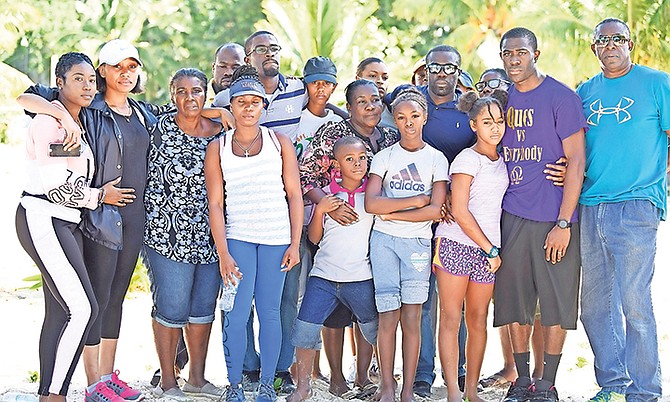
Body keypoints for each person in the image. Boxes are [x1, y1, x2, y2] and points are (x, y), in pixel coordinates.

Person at [17, 39, 157, 402]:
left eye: (132, 66)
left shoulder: (141, 113)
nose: (124, 73)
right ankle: (76, 388)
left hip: (88, 218)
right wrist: (60, 114)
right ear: (101, 71)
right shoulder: (73, 112)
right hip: (73, 217)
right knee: (83, 306)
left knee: (89, 305)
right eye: (114, 67)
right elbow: (26, 98)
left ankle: (63, 388)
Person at [576, 17, 669, 402]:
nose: (611, 45)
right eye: (603, 40)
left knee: (634, 302)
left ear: (629, 44)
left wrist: (656, 182)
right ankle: (613, 386)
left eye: (618, 39)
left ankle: (644, 392)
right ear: (594, 47)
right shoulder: (584, 91)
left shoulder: (656, 82)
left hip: (635, 206)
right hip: (590, 205)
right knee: (594, 307)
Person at [494, 27, 586, 402]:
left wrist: (563, 222)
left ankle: (546, 384)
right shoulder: (501, 101)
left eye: (520, 52)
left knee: (555, 304)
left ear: (536, 53)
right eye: (506, 54)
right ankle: (520, 382)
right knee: (514, 302)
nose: (513, 60)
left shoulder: (561, 97)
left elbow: (577, 159)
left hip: (554, 217)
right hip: (511, 215)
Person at [213, 32, 306, 391]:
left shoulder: (279, 144)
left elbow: (295, 196)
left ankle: (267, 385)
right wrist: (223, 253)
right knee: (236, 315)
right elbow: (217, 206)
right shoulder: (217, 148)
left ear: (263, 106)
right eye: (241, 102)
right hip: (237, 240)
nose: (248, 108)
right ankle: (235, 386)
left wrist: (295, 244)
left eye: (255, 102)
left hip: (275, 239)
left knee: (269, 314)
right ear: (231, 106)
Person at [299, 79, 398, 396]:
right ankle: (337, 376)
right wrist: (326, 206)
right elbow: (306, 176)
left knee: (369, 313)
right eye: (361, 101)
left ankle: (366, 377)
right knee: (335, 314)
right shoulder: (334, 134)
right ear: (350, 106)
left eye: (375, 100)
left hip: (376, 233)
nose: (370, 106)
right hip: (335, 229)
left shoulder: (390, 136)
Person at [15, 52, 102, 402]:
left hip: (63, 221)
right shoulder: (50, 123)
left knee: (59, 311)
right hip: (45, 216)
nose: (87, 85)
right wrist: (100, 196)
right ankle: (55, 395)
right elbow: (57, 187)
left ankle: (47, 394)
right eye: (78, 78)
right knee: (83, 309)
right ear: (60, 82)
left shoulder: (71, 122)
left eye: (91, 79)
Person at [143, 68, 225, 401]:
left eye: (196, 91)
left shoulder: (220, 132)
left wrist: (217, 113)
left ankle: (197, 378)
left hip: (210, 234)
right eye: (181, 91)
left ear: (206, 93)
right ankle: (167, 381)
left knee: (203, 307)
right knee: (172, 306)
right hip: (165, 233)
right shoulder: (158, 126)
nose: (189, 98)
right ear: (171, 94)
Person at [365, 87, 448, 402]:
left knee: (412, 316)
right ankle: (387, 386)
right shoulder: (384, 157)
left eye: (414, 116)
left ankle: (408, 390)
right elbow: (372, 205)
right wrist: (414, 201)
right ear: (394, 121)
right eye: (401, 117)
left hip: (416, 245)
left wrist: (394, 209)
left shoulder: (436, 159)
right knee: (388, 316)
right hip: (384, 242)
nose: (408, 123)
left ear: (424, 117)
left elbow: (434, 210)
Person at [287, 136, 378, 402]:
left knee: (374, 329)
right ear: (336, 165)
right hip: (324, 277)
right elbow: (314, 239)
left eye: (362, 158)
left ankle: (379, 382)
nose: (357, 163)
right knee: (305, 329)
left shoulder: (372, 198)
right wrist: (320, 211)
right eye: (349, 159)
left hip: (361, 278)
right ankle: (303, 386)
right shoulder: (327, 195)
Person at [435, 90, 509, 402]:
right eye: (487, 122)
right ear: (473, 124)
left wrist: (490, 250)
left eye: (500, 121)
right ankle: (452, 390)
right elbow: (461, 211)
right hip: (456, 245)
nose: (495, 127)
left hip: (487, 252)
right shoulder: (466, 159)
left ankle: (470, 392)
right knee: (450, 318)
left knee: (477, 320)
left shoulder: (505, 158)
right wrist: (490, 249)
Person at [476, 68, 544, 390]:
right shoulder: (484, 129)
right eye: (485, 84)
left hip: (535, 218)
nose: (494, 89)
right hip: (497, 225)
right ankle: (512, 369)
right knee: (510, 301)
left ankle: (542, 374)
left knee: (540, 303)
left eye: (499, 83)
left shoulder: (532, 122)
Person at [356, 57, 394, 128]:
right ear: (358, 79)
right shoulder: (343, 115)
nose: (380, 81)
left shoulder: (397, 114)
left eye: (385, 78)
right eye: (372, 76)